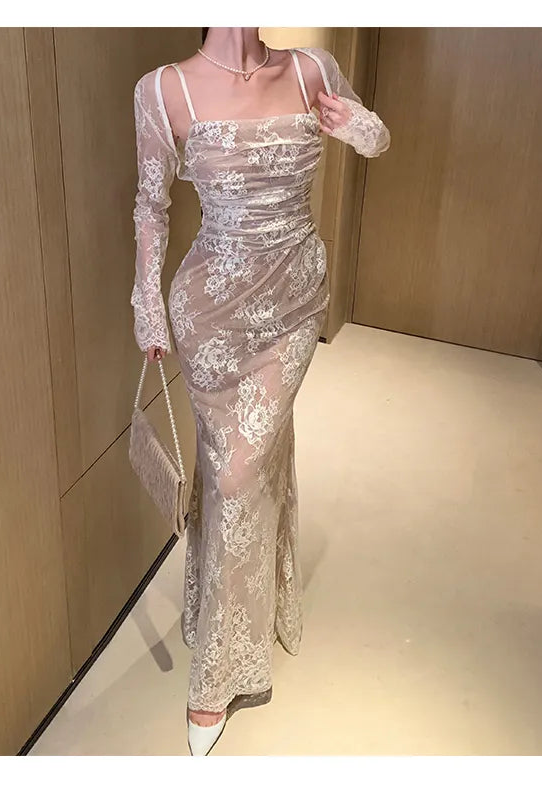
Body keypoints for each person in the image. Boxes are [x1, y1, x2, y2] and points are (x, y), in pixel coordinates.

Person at [130, 27, 390, 755]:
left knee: (239, 471)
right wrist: (146, 303)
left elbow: (377, 141)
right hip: (210, 311)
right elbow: (150, 206)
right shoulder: (162, 90)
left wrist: (356, 125)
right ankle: (238, 606)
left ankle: (216, 675)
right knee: (231, 469)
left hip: (293, 303)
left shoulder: (312, 68)